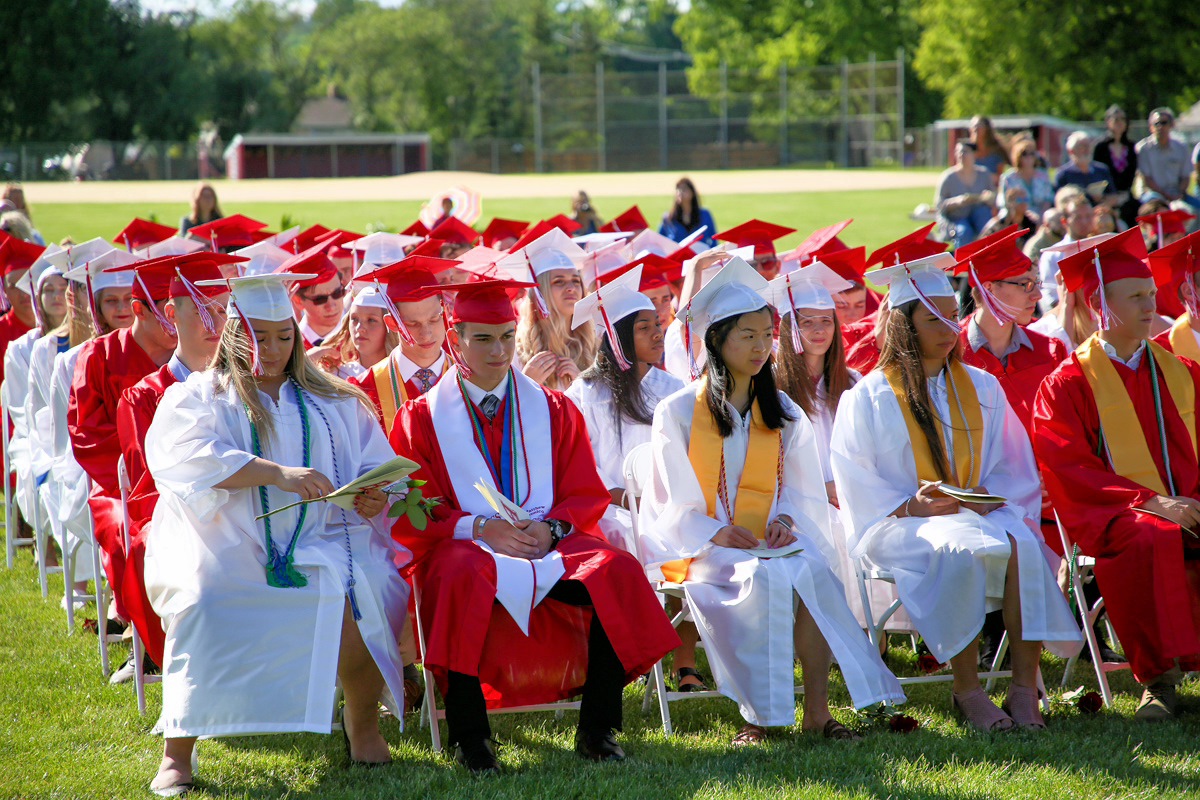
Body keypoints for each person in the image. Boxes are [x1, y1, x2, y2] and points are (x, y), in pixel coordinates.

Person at [389, 278, 679, 774]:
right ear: (456, 338)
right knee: (455, 576)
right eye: (482, 338)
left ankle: (597, 728)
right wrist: (479, 529)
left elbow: (583, 492)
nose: (499, 351)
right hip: (467, 545)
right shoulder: (421, 418)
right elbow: (416, 506)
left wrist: (553, 531)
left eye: (506, 335)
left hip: (548, 539)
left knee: (616, 570)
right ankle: (470, 736)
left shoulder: (554, 408)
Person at [143, 273, 410, 794]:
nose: (272, 349)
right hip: (227, 542)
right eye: (258, 336)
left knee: (366, 586)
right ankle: (179, 749)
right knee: (204, 601)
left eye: (283, 336)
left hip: (323, 537)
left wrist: (377, 496)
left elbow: (380, 468)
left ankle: (363, 726)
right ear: (235, 335)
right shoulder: (200, 396)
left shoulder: (336, 401)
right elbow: (184, 460)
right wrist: (274, 473)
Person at [641, 257, 904, 746]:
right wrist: (715, 531)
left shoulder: (782, 410)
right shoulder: (676, 413)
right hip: (702, 547)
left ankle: (818, 713)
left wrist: (786, 519)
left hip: (768, 539)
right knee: (760, 580)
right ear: (716, 339)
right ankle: (759, 717)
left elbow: (800, 491)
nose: (762, 347)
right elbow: (669, 503)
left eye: (767, 334)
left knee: (814, 571)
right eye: (748, 335)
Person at [831, 253, 1080, 732]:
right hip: (899, 525)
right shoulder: (866, 397)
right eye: (933, 318)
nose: (949, 326)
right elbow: (855, 481)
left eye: (952, 313)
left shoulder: (982, 386)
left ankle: (1024, 689)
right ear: (904, 326)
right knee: (962, 548)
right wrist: (910, 506)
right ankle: (967, 690)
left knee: (1024, 545)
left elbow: (1014, 468)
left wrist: (985, 492)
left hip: (977, 515)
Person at [1033, 228, 1200, 720]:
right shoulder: (1066, 384)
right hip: (1116, 513)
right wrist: (1148, 501)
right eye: (1135, 297)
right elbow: (1068, 466)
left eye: (1151, 295)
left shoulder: (1184, 372)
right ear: (1101, 304)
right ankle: (1158, 679)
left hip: (1187, 501)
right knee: (1151, 537)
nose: (1151, 306)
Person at [563, 268, 705, 689]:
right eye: (644, 329)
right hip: (604, 512)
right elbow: (574, 460)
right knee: (627, 543)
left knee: (691, 545)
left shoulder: (674, 389)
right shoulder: (585, 393)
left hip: (664, 506)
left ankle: (684, 661)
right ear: (619, 337)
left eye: (658, 326)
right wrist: (614, 495)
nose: (658, 334)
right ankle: (633, 656)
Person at [109, 253, 235, 674]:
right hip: (178, 517)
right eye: (200, 312)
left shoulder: (246, 387)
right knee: (148, 550)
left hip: (249, 511)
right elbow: (148, 489)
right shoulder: (145, 396)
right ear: (170, 314)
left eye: (220, 311)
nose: (213, 326)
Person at [68, 244, 178, 664]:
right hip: (121, 487)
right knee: (132, 536)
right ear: (141, 309)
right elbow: (86, 433)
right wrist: (141, 479)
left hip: (187, 481)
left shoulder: (191, 360)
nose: (174, 322)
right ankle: (151, 642)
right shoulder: (99, 355)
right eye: (164, 311)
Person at [350, 257, 456, 433]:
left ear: (445, 312)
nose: (426, 333)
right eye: (413, 324)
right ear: (392, 324)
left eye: (434, 319)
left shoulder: (469, 380)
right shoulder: (364, 390)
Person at [515, 228, 597, 391]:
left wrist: (582, 387)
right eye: (559, 282)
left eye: (575, 281)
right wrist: (526, 384)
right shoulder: (517, 351)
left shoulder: (593, 344)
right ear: (540, 293)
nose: (571, 288)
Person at [308, 286, 401, 382]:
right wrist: (306, 362)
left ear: (389, 325)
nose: (359, 328)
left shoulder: (405, 376)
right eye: (354, 319)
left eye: (371, 320)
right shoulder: (337, 377)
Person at [279, 243, 346, 348]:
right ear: (298, 301)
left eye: (337, 293)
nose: (331, 306)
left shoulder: (359, 342)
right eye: (320, 299)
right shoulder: (291, 346)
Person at [1037, 196, 1096, 312]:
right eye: (1078, 218)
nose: (1084, 222)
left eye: (1088, 216)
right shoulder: (1053, 255)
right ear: (1064, 221)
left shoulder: (1101, 249)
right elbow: (1050, 294)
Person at [936, 141, 996, 248]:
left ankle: (989, 258)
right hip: (957, 217)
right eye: (958, 152)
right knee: (964, 232)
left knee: (986, 224)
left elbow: (994, 199)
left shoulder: (984, 174)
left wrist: (988, 197)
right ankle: (963, 262)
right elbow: (939, 205)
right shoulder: (948, 177)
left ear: (975, 154)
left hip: (979, 215)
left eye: (965, 151)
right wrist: (958, 201)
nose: (961, 155)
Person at [0, 237, 42, 384]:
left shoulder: (60, 327)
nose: (24, 293)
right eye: (14, 286)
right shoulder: (1, 332)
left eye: (28, 283)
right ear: (4, 290)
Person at [1135, 108, 1195, 208]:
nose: (1160, 127)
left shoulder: (1181, 148)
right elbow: (1147, 180)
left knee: (1196, 209)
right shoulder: (1143, 148)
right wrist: (1166, 196)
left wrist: (1178, 194)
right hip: (1153, 194)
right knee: (1157, 210)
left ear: (1171, 125)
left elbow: (1185, 177)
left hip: (1177, 193)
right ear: (1151, 127)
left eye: (1163, 123)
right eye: (1156, 123)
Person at [1093, 105, 1140, 227]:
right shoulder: (1100, 147)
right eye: (1115, 119)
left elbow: (1131, 174)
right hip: (1105, 196)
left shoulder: (1130, 147)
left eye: (1122, 119)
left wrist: (1122, 196)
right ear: (1108, 122)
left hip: (1125, 195)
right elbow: (1097, 172)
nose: (1119, 122)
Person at [1054, 132, 1117, 209]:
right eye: (1082, 146)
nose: (1087, 150)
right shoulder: (1063, 174)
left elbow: (1113, 196)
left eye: (1088, 146)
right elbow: (1059, 201)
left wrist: (1102, 199)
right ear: (1071, 151)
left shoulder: (1102, 170)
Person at [717, 219, 796, 281]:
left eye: (767, 263)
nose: (759, 271)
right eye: (751, 266)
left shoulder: (792, 297)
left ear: (778, 266)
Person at [998, 139, 1056, 218]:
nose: (1029, 157)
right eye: (1024, 154)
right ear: (1018, 156)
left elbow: (1048, 199)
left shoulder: (1043, 176)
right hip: (1016, 214)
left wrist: (1041, 216)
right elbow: (1003, 201)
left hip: (1041, 213)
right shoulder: (1008, 178)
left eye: (1032, 153)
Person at [660, 177, 717, 248]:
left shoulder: (705, 214)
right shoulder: (668, 218)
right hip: (677, 258)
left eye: (684, 189)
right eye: (678, 189)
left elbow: (714, 240)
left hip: (700, 256)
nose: (680, 192)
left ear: (692, 192)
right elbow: (659, 242)